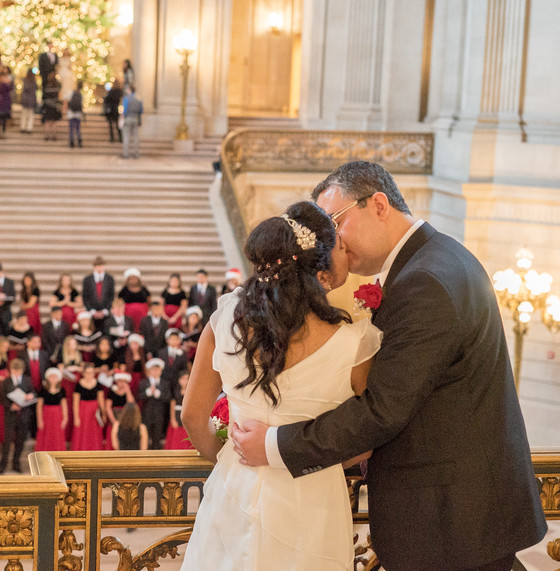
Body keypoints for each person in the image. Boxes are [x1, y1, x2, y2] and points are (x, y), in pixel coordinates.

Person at [231, 162, 547, 570]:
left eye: (335, 221)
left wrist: (274, 445)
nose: (331, 239)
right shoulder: (437, 258)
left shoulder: (424, 282)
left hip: (453, 524)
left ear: (378, 204)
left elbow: (383, 409)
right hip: (461, 512)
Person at [181, 201, 377, 570]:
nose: (345, 251)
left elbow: (192, 415)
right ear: (318, 266)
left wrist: (229, 459)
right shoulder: (355, 344)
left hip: (234, 487)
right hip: (314, 497)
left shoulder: (225, 319)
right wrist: (324, 461)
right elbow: (369, 434)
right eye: (338, 246)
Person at [0, 358, 36, 473]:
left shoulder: (27, 380)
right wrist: (11, 406)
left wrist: (30, 396)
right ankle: (3, 465)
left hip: (24, 415)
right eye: (15, 371)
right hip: (10, 415)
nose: (17, 373)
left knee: (20, 441)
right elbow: (2, 399)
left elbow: (33, 392)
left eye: (19, 371)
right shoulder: (6, 382)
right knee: (7, 441)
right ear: (11, 370)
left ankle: (16, 463)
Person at [70, 362, 105, 451]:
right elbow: (75, 403)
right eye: (87, 373)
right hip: (83, 412)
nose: (90, 375)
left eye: (92, 373)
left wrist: (103, 414)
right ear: (83, 373)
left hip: (94, 413)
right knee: (82, 433)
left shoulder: (98, 385)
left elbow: (101, 401)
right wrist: (76, 417)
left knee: (94, 433)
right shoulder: (78, 385)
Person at [138, 358, 170, 449]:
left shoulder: (165, 383)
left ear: (161, 370)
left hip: (159, 415)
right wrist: (148, 392)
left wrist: (158, 394)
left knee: (157, 438)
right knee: (145, 437)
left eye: (158, 369)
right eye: (153, 369)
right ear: (149, 370)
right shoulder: (144, 382)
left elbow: (168, 398)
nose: (155, 371)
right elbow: (139, 396)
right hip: (146, 415)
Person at [35, 367, 68, 451]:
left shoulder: (62, 390)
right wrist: (40, 420)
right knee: (45, 435)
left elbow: (64, 405)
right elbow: (39, 407)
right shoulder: (43, 390)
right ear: (47, 378)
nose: (53, 378)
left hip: (57, 416)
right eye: (51, 376)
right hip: (46, 415)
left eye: (55, 376)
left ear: (59, 378)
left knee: (57, 435)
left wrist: (65, 418)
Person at [81, 256, 116, 331]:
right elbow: (85, 296)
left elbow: (111, 296)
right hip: (92, 312)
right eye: (97, 266)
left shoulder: (109, 279)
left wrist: (105, 310)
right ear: (94, 267)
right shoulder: (87, 280)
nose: (99, 268)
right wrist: (92, 311)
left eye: (101, 266)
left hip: (105, 313)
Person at [104, 371, 134, 450]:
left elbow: (131, 404)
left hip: (126, 418)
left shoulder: (128, 393)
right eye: (120, 381)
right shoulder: (112, 392)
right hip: (114, 416)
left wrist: (128, 391)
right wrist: (113, 421)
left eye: (124, 381)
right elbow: (108, 407)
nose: (122, 383)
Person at [164, 372, 192, 450]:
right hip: (177, 414)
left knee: (185, 434)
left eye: (187, 379)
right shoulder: (175, 391)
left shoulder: (191, 392)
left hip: (186, 414)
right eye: (183, 379)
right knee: (176, 434)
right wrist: (172, 419)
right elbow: (172, 405)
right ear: (179, 380)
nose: (185, 381)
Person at [121, 84, 143, 159]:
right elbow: (141, 110)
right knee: (136, 137)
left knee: (126, 136)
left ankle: (126, 154)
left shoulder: (126, 98)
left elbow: (124, 109)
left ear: (129, 90)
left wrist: (122, 116)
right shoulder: (139, 98)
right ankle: (136, 154)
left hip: (128, 118)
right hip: (136, 118)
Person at [0, 66, 14, 139]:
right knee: (2, 119)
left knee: (0, 119)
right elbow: (9, 88)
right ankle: (1, 132)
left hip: (0, 103)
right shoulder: (2, 84)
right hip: (2, 102)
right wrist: (8, 83)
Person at [41, 71, 62, 141]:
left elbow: (44, 97)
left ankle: (47, 135)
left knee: (47, 122)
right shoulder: (57, 87)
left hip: (47, 106)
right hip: (54, 106)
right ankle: (54, 136)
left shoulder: (46, 87)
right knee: (53, 122)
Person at [66, 80, 84, 148]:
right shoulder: (81, 94)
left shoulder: (71, 93)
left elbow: (68, 101)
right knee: (77, 128)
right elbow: (81, 104)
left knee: (71, 128)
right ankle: (79, 141)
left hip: (71, 113)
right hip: (78, 114)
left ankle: (71, 141)